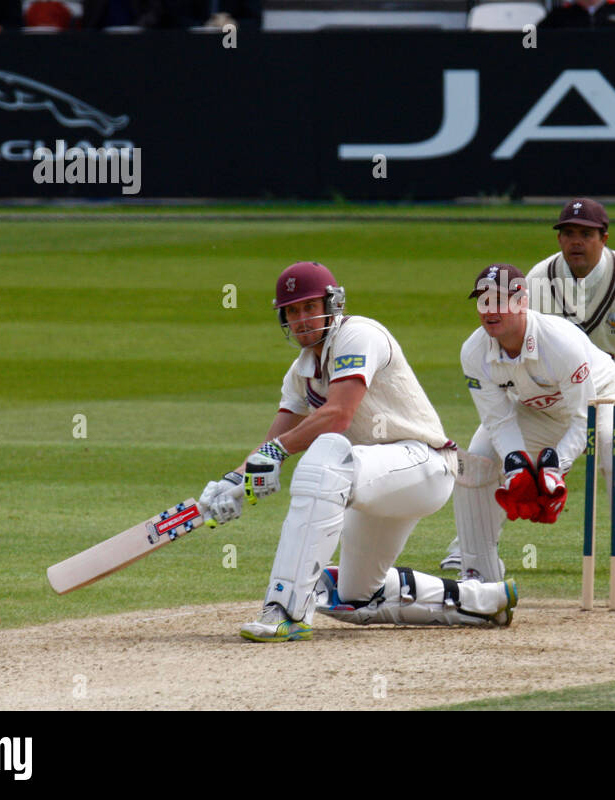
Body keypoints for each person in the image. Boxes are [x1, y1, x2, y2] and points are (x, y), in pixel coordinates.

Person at [196, 261, 517, 641]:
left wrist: (273, 455)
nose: (301, 319)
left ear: (332, 305)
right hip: (373, 481)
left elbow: (338, 414)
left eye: (309, 308)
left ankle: (285, 610)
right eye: (293, 311)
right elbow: (277, 436)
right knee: (355, 598)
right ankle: (485, 602)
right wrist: (234, 481)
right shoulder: (300, 373)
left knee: (328, 452)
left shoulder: (359, 335)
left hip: (423, 465)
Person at [455, 263, 615, 607]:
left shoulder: (559, 342)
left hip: (604, 400)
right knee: (476, 461)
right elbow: (499, 421)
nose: (490, 310)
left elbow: (582, 417)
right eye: (483, 301)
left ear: (522, 301)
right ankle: (478, 574)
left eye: (499, 300)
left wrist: (553, 467)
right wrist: (518, 468)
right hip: (539, 412)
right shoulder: (474, 353)